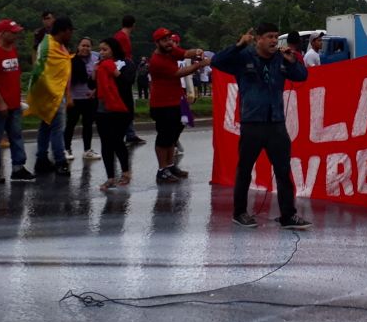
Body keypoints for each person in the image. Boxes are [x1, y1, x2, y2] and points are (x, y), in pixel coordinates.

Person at [212, 23, 311, 230]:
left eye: (276, 36)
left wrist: (293, 62)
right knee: (245, 169)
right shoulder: (243, 58)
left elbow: (302, 76)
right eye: (269, 36)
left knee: (283, 171)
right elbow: (217, 61)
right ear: (258, 39)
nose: (274, 40)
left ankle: (288, 216)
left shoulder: (281, 59)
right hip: (252, 124)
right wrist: (239, 45)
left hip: (276, 123)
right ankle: (239, 213)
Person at [148, 28, 209, 183]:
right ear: (157, 43)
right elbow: (179, 73)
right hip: (162, 103)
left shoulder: (170, 51)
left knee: (174, 134)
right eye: (164, 40)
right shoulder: (157, 60)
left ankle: (169, 166)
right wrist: (200, 65)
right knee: (164, 136)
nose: (169, 42)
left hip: (175, 100)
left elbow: (185, 53)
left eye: (170, 39)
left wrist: (197, 51)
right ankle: (162, 170)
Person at [0, 19, 32, 183]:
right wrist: (1, 102)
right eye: (13, 32)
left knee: (16, 135)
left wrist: (17, 99)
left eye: (17, 32)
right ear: (2, 33)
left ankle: (18, 168)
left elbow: (13, 75)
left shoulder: (12, 49)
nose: (16, 35)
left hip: (14, 103)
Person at [27, 16, 75, 176]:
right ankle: (60, 161)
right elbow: (42, 72)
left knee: (46, 126)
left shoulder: (60, 46)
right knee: (57, 129)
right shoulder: (48, 46)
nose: (71, 35)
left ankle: (41, 159)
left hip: (57, 92)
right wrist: (58, 93)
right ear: (64, 31)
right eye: (70, 31)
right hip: (51, 94)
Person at [95, 37, 132, 191]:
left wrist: (114, 72)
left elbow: (127, 82)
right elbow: (93, 85)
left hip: (121, 109)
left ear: (114, 50)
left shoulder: (125, 64)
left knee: (117, 140)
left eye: (105, 49)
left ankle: (125, 172)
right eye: (100, 50)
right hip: (103, 109)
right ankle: (110, 177)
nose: (102, 53)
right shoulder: (99, 65)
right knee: (105, 143)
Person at [65, 37, 100, 161]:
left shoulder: (96, 59)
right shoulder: (70, 60)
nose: (85, 48)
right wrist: (68, 97)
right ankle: (67, 148)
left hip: (90, 98)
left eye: (88, 46)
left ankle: (87, 150)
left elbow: (100, 78)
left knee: (88, 125)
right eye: (83, 45)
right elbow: (66, 80)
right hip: (75, 98)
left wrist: (95, 91)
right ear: (78, 46)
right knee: (71, 124)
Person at [114, 14, 145, 145]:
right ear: (133, 24)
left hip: (123, 73)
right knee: (126, 104)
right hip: (123, 74)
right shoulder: (122, 37)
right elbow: (124, 57)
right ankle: (126, 133)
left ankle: (129, 133)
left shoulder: (120, 35)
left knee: (127, 103)